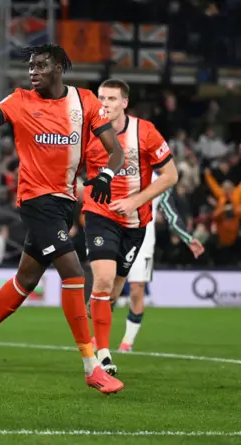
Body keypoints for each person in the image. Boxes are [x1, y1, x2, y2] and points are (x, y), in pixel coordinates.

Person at [0, 44, 126, 394]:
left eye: (41, 65)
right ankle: (91, 365)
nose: (33, 71)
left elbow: (116, 151)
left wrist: (106, 177)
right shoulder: (20, 101)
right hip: (35, 200)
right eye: (31, 66)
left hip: (65, 201)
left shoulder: (85, 103)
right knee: (73, 271)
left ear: (59, 68)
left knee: (26, 280)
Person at [82, 79, 179, 375]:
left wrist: (135, 200)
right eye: (101, 98)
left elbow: (171, 175)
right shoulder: (88, 131)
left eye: (112, 98)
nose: (105, 104)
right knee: (103, 279)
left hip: (136, 223)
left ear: (125, 102)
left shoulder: (145, 131)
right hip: (99, 213)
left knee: (112, 293)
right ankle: (102, 356)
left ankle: (98, 307)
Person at [116, 174, 204, 352]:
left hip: (144, 243)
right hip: (117, 238)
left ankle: (127, 341)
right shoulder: (122, 171)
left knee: (137, 288)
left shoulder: (160, 180)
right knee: (109, 286)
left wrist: (188, 239)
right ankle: (99, 337)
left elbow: (172, 215)